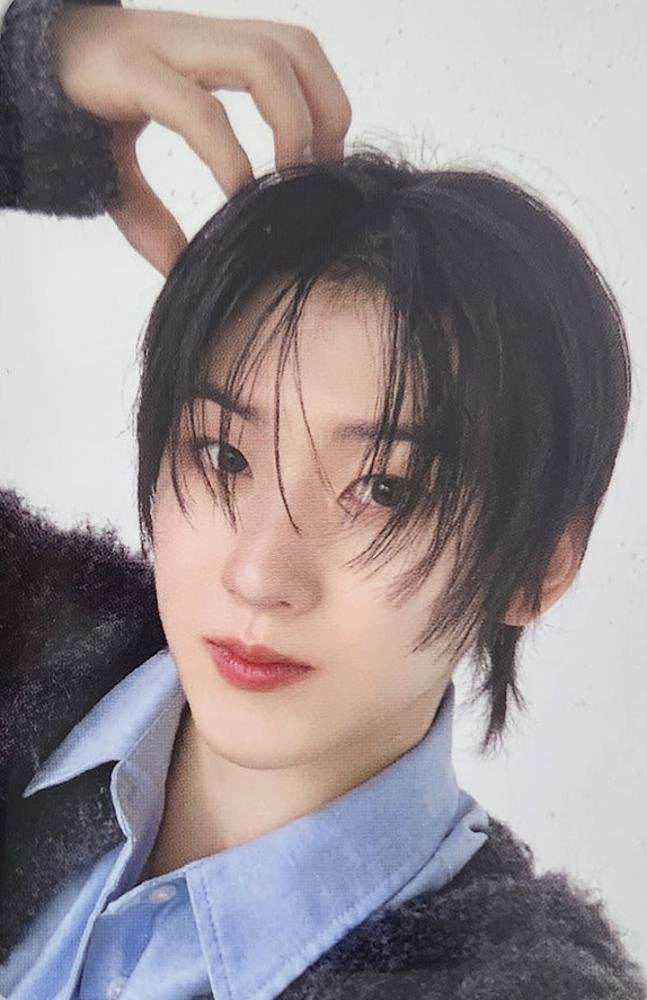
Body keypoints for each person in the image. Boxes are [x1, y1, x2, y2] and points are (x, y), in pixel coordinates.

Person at [0, 1, 645, 998]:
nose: (260, 573)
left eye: (383, 488)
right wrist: (24, 91)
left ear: (534, 568)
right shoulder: (27, 631)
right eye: (222, 455)